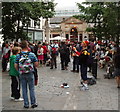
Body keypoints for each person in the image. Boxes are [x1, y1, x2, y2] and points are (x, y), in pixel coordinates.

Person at [15, 41, 38, 108]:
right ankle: (33, 103)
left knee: (24, 89)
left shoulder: (18, 55)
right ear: (27, 46)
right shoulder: (32, 54)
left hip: (22, 73)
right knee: (31, 88)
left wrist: (19, 70)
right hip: (30, 73)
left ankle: (26, 104)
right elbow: (36, 64)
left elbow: (16, 65)